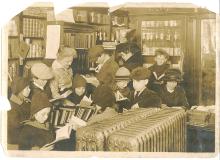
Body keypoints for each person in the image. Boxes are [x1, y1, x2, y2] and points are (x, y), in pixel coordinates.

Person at [18, 63, 55, 150]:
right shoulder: (30, 90)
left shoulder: (46, 87)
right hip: (33, 121)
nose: (46, 82)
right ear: (34, 78)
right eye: (43, 80)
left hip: (42, 117)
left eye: (47, 80)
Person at [7, 77, 31, 147]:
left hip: (23, 132)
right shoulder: (12, 105)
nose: (29, 90)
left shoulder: (23, 100)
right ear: (20, 90)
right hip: (15, 136)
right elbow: (16, 125)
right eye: (27, 88)